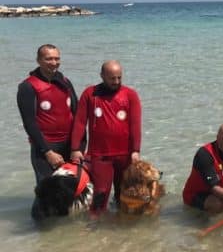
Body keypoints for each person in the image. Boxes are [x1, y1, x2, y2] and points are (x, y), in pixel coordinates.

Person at [17, 45, 81, 217]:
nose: (54, 63)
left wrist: (78, 147)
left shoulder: (65, 82)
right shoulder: (27, 87)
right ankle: (38, 231)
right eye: (49, 59)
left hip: (68, 146)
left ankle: (63, 236)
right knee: (45, 194)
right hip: (45, 148)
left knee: (67, 193)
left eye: (57, 58)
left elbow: (78, 115)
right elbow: (29, 124)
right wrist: (47, 152)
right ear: (38, 60)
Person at [70, 60, 142, 213]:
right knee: (101, 193)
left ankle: (120, 226)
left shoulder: (130, 95)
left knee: (124, 194)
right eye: (112, 78)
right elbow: (80, 122)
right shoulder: (90, 94)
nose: (116, 82)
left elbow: (135, 124)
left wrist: (135, 150)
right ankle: (95, 226)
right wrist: (75, 148)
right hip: (100, 155)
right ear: (102, 76)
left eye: (119, 78)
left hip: (125, 154)